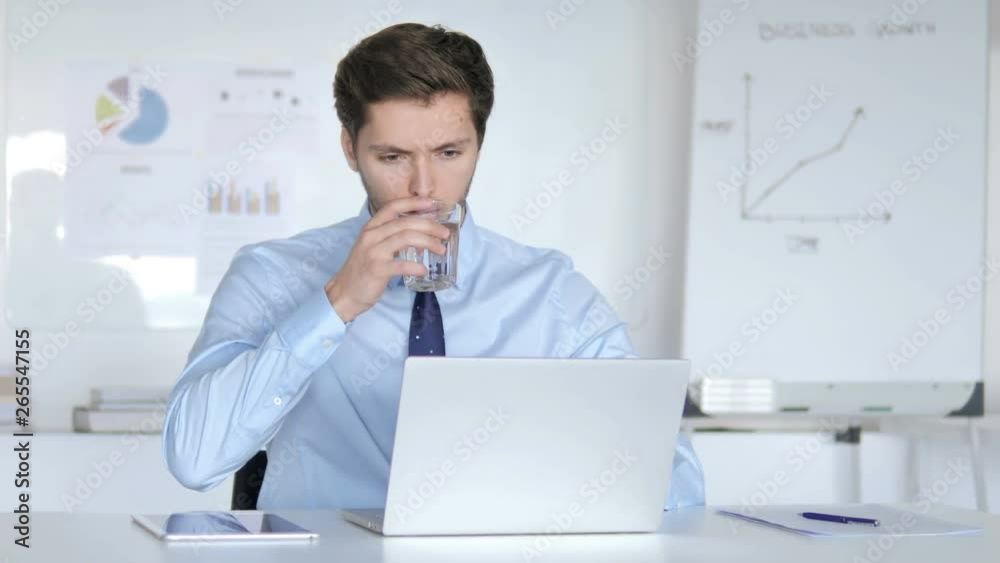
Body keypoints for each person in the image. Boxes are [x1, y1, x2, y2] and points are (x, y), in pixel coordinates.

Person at [163, 22, 704, 510]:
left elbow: (673, 480)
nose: (423, 188)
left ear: (478, 146)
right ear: (351, 150)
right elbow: (193, 458)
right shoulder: (270, 275)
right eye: (393, 157)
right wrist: (336, 304)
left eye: (449, 153)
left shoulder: (550, 292)